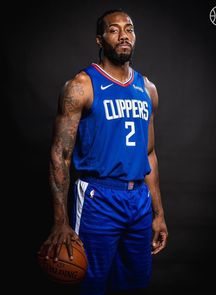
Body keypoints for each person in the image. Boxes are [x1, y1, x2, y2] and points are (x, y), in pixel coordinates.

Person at [40, 8, 168, 295]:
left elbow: (149, 154)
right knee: (91, 285)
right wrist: (60, 222)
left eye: (129, 28)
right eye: (114, 29)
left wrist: (158, 213)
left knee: (135, 283)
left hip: (139, 202)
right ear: (100, 40)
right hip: (98, 199)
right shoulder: (81, 86)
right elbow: (59, 155)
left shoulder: (147, 89)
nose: (124, 35)